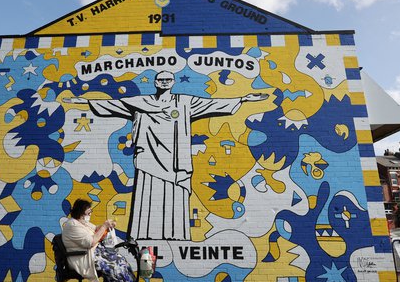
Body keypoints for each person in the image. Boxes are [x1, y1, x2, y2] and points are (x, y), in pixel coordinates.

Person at [66, 70, 268, 240]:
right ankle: (143, 234)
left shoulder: (184, 102)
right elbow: (113, 105)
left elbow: (213, 104)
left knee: (174, 197)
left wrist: (243, 99)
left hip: (175, 162)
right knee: (148, 196)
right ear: (155, 82)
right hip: (148, 159)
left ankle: (175, 235)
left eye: (168, 80)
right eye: (160, 79)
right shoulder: (141, 102)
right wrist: (81, 101)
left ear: (173, 82)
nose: (164, 82)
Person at [61, 199, 144, 282]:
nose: (90, 214)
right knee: (116, 269)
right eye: (88, 213)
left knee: (122, 262)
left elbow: (95, 229)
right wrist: (104, 226)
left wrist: (107, 225)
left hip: (93, 254)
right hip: (83, 258)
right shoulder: (72, 225)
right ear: (81, 213)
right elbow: (91, 241)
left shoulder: (81, 222)